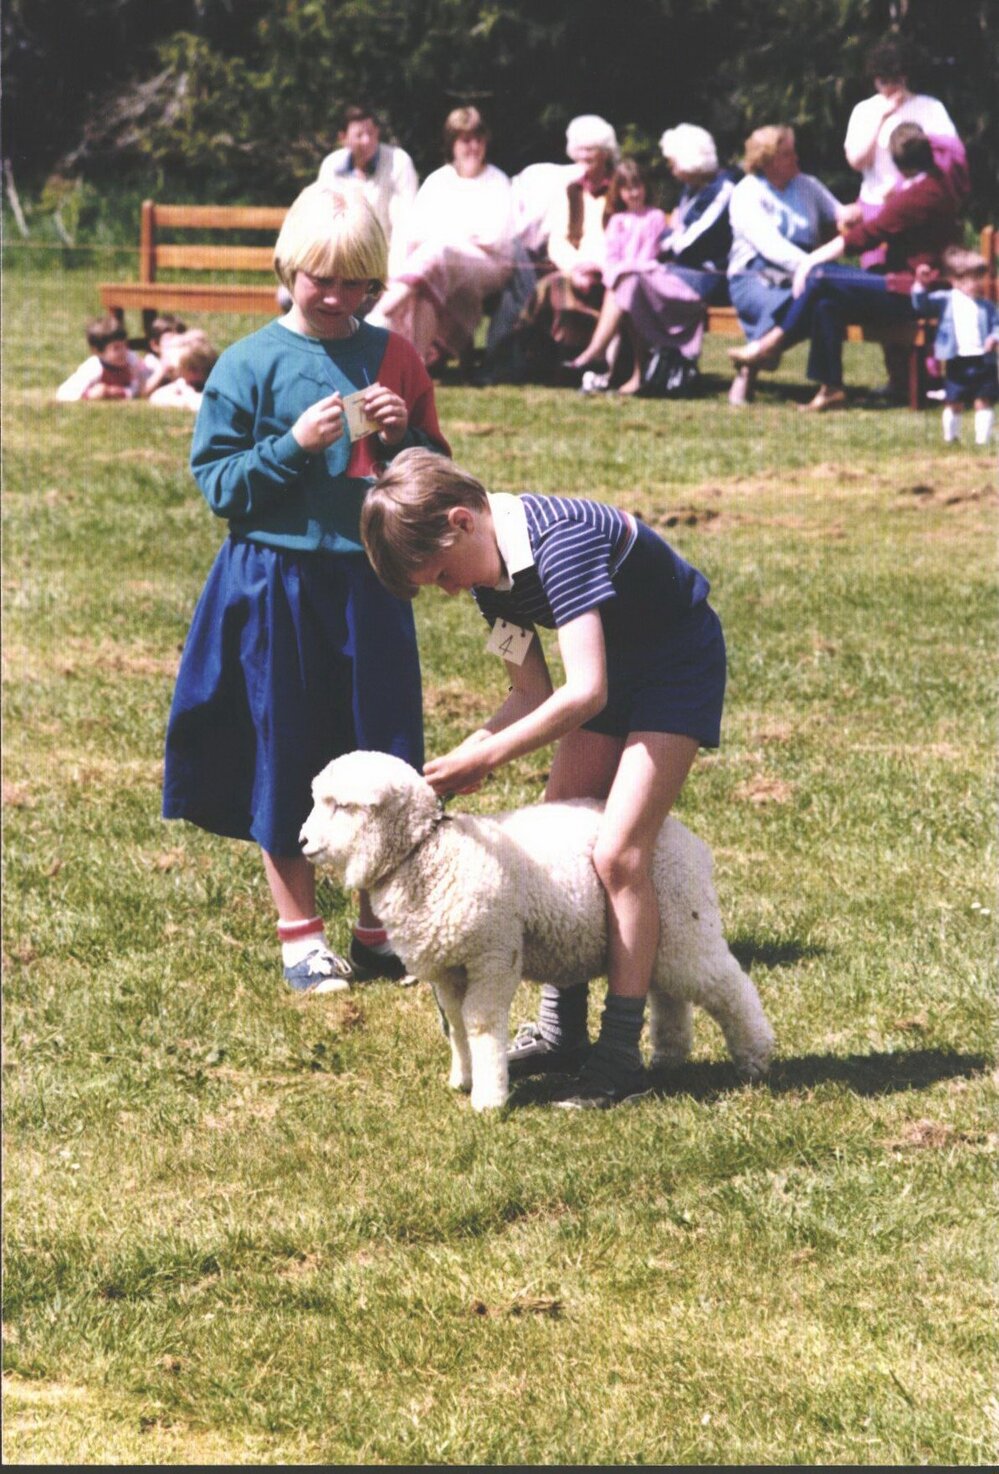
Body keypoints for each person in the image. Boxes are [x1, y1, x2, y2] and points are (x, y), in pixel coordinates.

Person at [360, 449, 727, 1109]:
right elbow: (531, 694)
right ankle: (564, 1032)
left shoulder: (561, 542)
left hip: (675, 665)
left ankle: (619, 1056)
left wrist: (489, 761)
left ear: (462, 521)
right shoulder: (485, 578)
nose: (448, 590)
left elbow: (584, 693)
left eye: (441, 574)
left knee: (619, 853)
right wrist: (467, 749)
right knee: (562, 842)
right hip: (612, 668)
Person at [162, 184, 450, 994]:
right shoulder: (247, 363)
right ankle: (301, 937)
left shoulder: (394, 354)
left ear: (375, 283)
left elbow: (431, 476)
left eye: (353, 281)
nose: (333, 296)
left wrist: (406, 435)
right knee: (285, 751)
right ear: (287, 269)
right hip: (273, 583)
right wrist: (290, 446)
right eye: (317, 278)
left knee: (384, 752)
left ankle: (378, 926)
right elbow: (221, 486)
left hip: (370, 583)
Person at [727, 123, 962, 411]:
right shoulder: (927, 185)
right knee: (826, 301)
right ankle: (831, 389)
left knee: (822, 275)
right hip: (903, 286)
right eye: (789, 153)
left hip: (916, 292)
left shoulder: (919, 195)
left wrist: (812, 260)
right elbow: (875, 221)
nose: (797, 158)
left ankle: (770, 345)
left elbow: (867, 236)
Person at [570, 127, 739, 394]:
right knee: (628, 283)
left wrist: (668, 238)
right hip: (676, 271)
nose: (671, 169)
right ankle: (626, 368)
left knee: (630, 282)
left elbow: (686, 242)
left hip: (705, 279)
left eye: (673, 163)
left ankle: (599, 355)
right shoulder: (690, 190)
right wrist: (671, 238)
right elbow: (676, 238)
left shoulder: (722, 190)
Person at [366, 106, 514, 372]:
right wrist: (456, 235)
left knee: (439, 250)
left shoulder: (497, 181)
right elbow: (414, 233)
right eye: (466, 140)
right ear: (453, 144)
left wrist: (448, 237)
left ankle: (380, 314)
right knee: (429, 274)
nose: (474, 147)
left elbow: (494, 237)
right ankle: (417, 363)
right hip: (436, 266)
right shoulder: (438, 181)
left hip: (489, 265)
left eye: (479, 139)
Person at [725, 126, 847, 406]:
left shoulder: (808, 185)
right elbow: (769, 246)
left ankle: (763, 357)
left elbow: (839, 212)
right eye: (787, 154)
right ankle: (749, 370)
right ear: (768, 161)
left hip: (804, 271)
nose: (796, 158)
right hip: (754, 275)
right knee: (803, 299)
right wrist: (812, 265)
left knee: (820, 302)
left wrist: (857, 213)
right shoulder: (747, 192)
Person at [514, 115, 620, 377]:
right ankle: (554, 360)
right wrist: (576, 268)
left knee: (560, 287)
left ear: (605, 153)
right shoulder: (569, 191)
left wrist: (597, 267)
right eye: (580, 148)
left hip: (609, 272)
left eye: (591, 149)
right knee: (551, 287)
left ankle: (590, 361)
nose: (584, 155)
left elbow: (623, 238)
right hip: (575, 270)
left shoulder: (619, 189)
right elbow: (557, 240)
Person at [567, 158, 669, 394]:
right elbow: (611, 259)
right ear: (619, 191)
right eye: (627, 188)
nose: (633, 193)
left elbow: (648, 258)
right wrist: (615, 272)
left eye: (637, 186)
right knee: (620, 290)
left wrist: (621, 271)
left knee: (622, 289)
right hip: (623, 283)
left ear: (645, 188)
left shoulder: (654, 218)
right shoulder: (617, 221)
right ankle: (606, 362)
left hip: (648, 280)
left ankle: (594, 353)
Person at [317, 103, 419, 277]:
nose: (367, 140)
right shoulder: (331, 166)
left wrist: (394, 279)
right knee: (287, 296)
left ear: (378, 132)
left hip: (385, 263)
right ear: (343, 138)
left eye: (371, 133)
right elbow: (323, 221)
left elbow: (404, 228)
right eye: (359, 135)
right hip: (342, 262)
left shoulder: (399, 163)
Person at [912, 247, 999, 446]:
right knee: (954, 400)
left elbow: (997, 325)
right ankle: (951, 437)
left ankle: (982, 440)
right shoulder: (946, 300)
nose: (978, 284)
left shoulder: (987, 305)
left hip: (983, 360)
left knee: (984, 399)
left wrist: (994, 337)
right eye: (973, 279)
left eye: (981, 278)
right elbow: (921, 305)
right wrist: (920, 284)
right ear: (956, 280)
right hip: (957, 359)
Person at [55, 315, 150, 401]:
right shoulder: (94, 367)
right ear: (98, 351)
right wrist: (89, 394)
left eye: (125, 345)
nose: (123, 351)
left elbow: (140, 388)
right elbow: (63, 393)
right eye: (116, 348)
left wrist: (119, 392)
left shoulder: (131, 359)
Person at [147, 330, 219, 412]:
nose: (177, 373)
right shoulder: (182, 385)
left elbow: (201, 405)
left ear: (193, 370)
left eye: (181, 368)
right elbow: (156, 397)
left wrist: (188, 395)